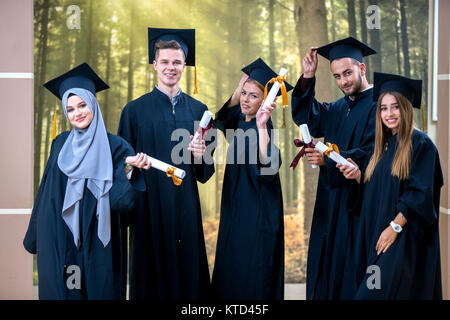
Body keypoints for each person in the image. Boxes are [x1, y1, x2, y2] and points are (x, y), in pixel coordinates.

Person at [23, 62, 150, 299]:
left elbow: (122, 204)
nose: (77, 113)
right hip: (60, 235)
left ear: (93, 104)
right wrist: (36, 237)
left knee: (99, 290)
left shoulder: (116, 146)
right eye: (70, 109)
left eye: (82, 105)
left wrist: (128, 170)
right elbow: (46, 193)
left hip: (98, 241)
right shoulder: (60, 144)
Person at [118, 28, 215, 300]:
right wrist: (131, 166)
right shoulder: (134, 111)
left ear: (185, 65)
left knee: (187, 271)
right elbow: (120, 166)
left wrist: (199, 154)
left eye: (176, 62)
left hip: (185, 204)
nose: (170, 67)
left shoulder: (199, 111)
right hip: (148, 207)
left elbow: (205, 171)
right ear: (154, 65)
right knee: (149, 272)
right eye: (164, 62)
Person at [338, 72, 443, 299]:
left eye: (395, 107)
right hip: (377, 237)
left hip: (401, 239)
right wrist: (358, 177)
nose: (389, 114)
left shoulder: (421, 143)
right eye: (383, 108)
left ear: (405, 108)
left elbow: (421, 193)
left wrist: (394, 228)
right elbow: (377, 192)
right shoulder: (382, 147)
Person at [291, 37, 377, 299]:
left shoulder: (381, 105)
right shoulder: (339, 108)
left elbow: (372, 153)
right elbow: (307, 117)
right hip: (330, 204)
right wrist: (307, 77)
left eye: (348, 73)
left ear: (362, 69)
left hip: (358, 206)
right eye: (337, 76)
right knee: (327, 271)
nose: (343, 82)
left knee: (352, 272)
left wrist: (326, 159)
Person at [211, 58, 292, 300]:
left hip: (259, 211)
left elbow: (269, 164)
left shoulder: (264, 127)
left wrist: (262, 126)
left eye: (254, 96)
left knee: (255, 270)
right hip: (235, 208)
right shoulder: (237, 122)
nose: (245, 99)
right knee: (232, 266)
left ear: (266, 101)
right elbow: (222, 118)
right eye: (244, 93)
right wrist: (240, 86)